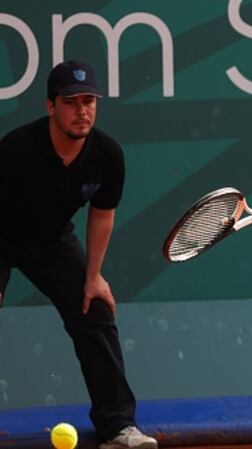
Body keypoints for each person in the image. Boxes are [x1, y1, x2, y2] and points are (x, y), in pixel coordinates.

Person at [0, 61, 158, 449]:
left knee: (95, 308)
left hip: (52, 241)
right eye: (71, 102)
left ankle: (118, 427)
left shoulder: (107, 154)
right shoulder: (15, 150)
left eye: (89, 101)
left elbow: (102, 213)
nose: (82, 110)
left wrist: (93, 275)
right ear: (51, 106)